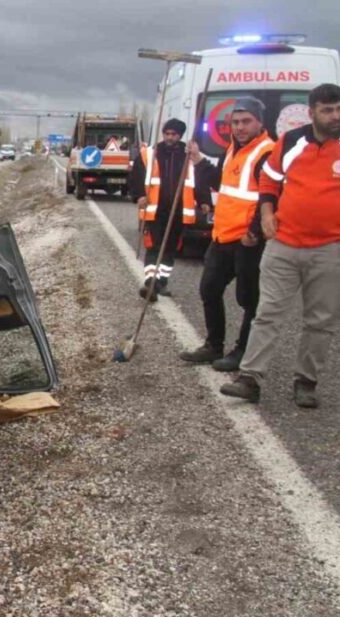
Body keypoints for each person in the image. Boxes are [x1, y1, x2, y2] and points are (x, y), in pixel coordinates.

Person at [220, 83, 340, 407]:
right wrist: (266, 212)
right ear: (312, 111)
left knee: (320, 320)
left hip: (330, 248)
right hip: (284, 244)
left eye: (339, 109)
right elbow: (269, 178)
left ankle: (306, 381)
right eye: (328, 110)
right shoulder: (291, 141)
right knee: (268, 312)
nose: (335, 116)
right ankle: (250, 378)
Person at [179, 97, 274, 372]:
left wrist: (255, 231)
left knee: (249, 299)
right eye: (235, 122)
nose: (240, 127)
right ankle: (213, 345)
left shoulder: (267, 152)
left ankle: (243, 351)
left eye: (246, 121)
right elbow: (222, 183)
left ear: (259, 122)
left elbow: (271, 197)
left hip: (248, 240)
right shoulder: (232, 149)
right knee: (209, 288)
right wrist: (198, 160)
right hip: (222, 236)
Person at [128, 118, 203, 300]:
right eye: (167, 133)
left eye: (174, 134)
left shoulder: (188, 155)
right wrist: (139, 195)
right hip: (155, 210)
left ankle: (161, 282)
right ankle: (150, 283)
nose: (169, 137)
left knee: (170, 249)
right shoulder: (150, 154)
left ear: (180, 135)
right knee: (154, 246)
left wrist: (204, 201)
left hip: (178, 211)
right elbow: (136, 176)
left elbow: (199, 181)